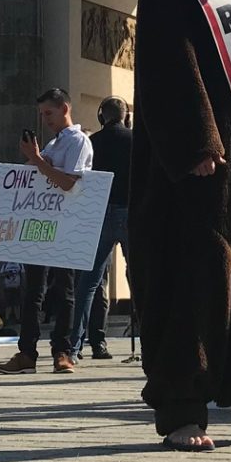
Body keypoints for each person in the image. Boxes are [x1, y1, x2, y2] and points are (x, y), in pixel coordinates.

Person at [0, 88, 93, 375]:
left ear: (64, 108)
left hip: (67, 224)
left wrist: (38, 161)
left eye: (49, 113)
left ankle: (62, 351)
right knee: (33, 290)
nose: (45, 119)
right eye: (42, 115)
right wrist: (36, 159)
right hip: (42, 223)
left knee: (64, 288)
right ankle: (27, 351)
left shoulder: (78, 141)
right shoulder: (54, 144)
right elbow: (34, 172)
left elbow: (69, 184)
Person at [76, 97, 132, 361]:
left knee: (89, 284)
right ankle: (151, 343)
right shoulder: (136, 141)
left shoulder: (92, 143)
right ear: (126, 117)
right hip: (129, 212)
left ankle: (79, 345)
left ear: (102, 116)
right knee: (140, 280)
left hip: (99, 215)